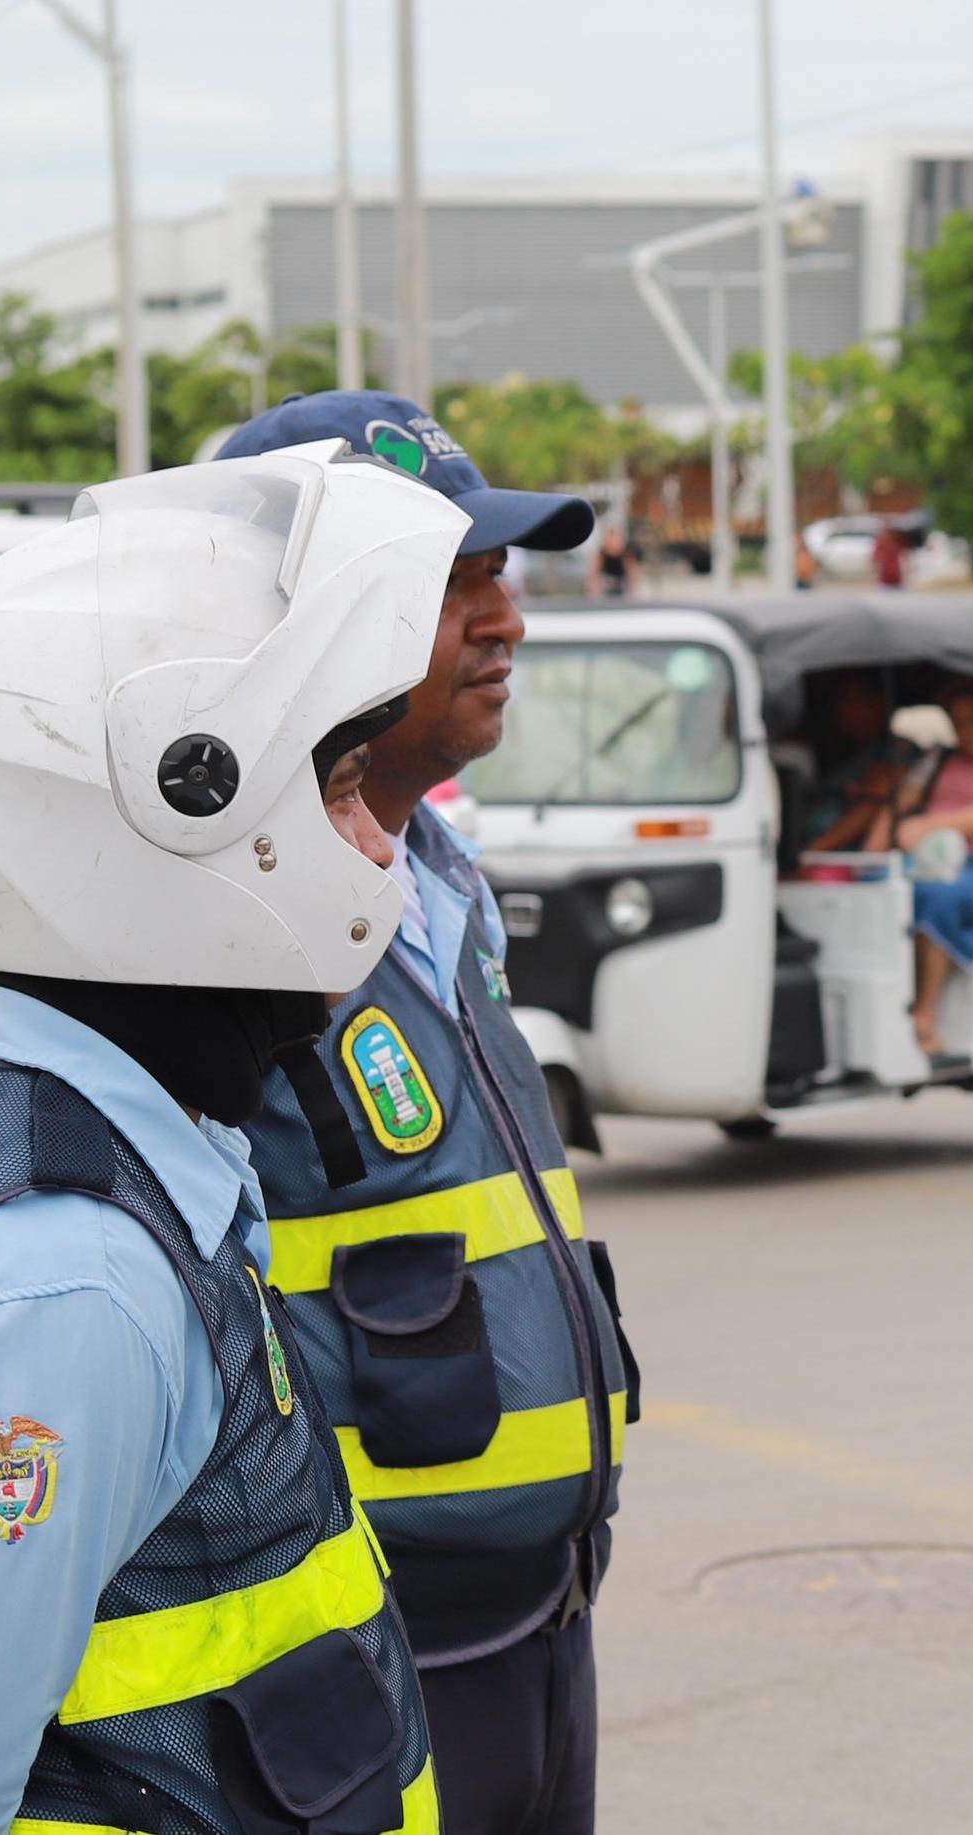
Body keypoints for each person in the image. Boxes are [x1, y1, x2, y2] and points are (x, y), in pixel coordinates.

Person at [0, 443, 464, 1835]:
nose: (377, 844)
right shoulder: (69, 1283)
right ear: (173, 816)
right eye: (335, 784)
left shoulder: (93, 1126)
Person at [213, 393, 637, 1835]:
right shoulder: (230, 919)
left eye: (499, 573)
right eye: (456, 578)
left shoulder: (436, 871)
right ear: (315, 619)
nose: (504, 616)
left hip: (536, 1615)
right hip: (368, 1656)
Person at [895, 677, 973, 1060]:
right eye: (958, 723)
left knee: (938, 896)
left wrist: (930, 825)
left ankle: (925, 1014)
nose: (967, 732)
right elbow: (905, 800)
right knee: (876, 890)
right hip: (924, 859)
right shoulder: (941, 758)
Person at [791, 669, 921, 857]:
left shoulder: (898, 752)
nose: (854, 710)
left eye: (865, 701)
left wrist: (813, 852)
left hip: (845, 860)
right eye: (844, 701)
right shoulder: (839, 751)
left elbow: (872, 806)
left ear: (882, 704)